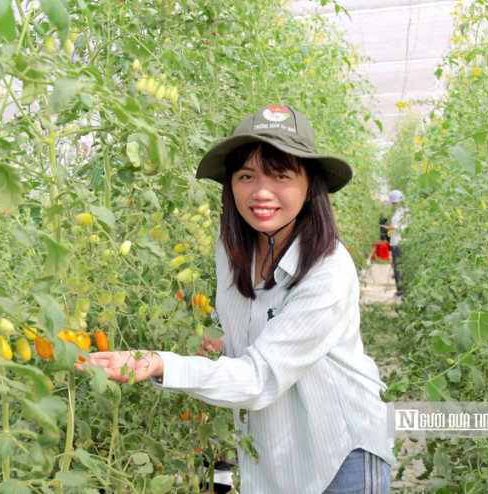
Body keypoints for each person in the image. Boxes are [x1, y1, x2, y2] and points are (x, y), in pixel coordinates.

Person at [81, 105, 394, 493]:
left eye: (281, 175)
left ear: (309, 184)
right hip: (276, 457)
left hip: (339, 456)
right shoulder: (232, 248)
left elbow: (259, 378)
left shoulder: (328, 270)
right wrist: (227, 340)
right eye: (247, 176)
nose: (261, 192)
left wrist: (160, 363)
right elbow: (251, 324)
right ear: (230, 183)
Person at [385, 189, 406, 297]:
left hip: (400, 243)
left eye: (394, 202)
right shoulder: (398, 211)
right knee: (397, 267)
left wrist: (395, 227)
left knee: (399, 267)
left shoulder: (405, 212)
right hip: (394, 242)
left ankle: (402, 291)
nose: (393, 204)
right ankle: (400, 290)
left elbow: (407, 227)